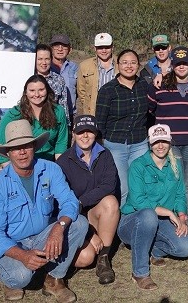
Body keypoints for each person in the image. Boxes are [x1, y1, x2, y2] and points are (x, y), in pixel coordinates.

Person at [0, 119, 89, 303]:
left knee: (79, 222)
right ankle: (9, 279)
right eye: (16, 148)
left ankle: (54, 279)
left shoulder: (51, 169)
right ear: (8, 153)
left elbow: (69, 201)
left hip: (42, 235)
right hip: (13, 243)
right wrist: (22, 255)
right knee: (21, 277)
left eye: (26, 145)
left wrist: (59, 227)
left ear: (34, 146)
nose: (22, 152)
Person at [117, 124, 188, 291]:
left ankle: (155, 250)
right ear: (149, 143)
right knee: (148, 215)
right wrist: (169, 213)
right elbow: (139, 202)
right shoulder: (138, 166)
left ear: (170, 142)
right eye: (156, 142)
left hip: (162, 222)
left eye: (164, 141)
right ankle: (140, 273)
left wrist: (181, 216)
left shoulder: (175, 164)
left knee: (187, 247)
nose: (160, 146)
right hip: (134, 221)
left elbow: (181, 193)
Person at [56, 115, 121, 285]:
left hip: (93, 210)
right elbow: (66, 201)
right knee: (86, 258)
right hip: (75, 217)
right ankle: (60, 260)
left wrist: (82, 201)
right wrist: (89, 233)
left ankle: (104, 259)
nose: (85, 136)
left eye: (90, 132)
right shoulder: (64, 161)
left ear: (95, 133)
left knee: (111, 202)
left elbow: (109, 186)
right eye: (80, 132)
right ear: (73, 134)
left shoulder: (105, 155)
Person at [147, 46, 188, 212]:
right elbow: (150, 109)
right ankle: (169, 223)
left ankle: (184, 226)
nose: (181, 66)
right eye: (178, 63)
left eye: (185, 63)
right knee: (172, 184)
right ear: (172, 65)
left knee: (186, 186)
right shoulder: (159, 86)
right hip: (170, 145)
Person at [95, 49, 149, 205]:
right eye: (124, 62)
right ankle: (123, 222)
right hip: (115, 145)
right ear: (118, 65)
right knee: (123, 187)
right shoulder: (108, 90)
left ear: (138, 65)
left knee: (139, 185)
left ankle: (139, 219)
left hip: (139, 143)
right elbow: (100, 120)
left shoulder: (144, 86)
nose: (129, 66)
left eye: (133, 62)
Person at [0, 74, 69, 165]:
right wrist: (12, 172)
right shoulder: (14, 113)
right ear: (26, 92)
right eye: (32, 90)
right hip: (21, 166)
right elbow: (0, 143)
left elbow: (61, 143)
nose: (37, 95)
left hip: (49, 164)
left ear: (47, 90)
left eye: (41, 90)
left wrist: (58, 168)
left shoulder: (58, 111)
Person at [76, 32, 116, 116]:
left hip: (116, 112)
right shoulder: (84, 66)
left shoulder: (121, 63)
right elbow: (81, 91)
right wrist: (89, 104)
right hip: (93, 113)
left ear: (112, 47)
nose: (104, 50)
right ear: (95, 48)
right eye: (100, 47)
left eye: (107, 47)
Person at [35, 43, 70, 117]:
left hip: (53, 123)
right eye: (40, 59)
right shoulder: (27, 77)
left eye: (47, 59)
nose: (44, 63)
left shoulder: (59, 80)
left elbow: (63, 106)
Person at [49, 34, 78, 120]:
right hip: (48, 114)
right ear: (51, 48)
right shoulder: (44, 67)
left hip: (70, 115)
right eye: (56, 45)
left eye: (64, 46)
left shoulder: (75, 68)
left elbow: (80, 91)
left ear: (70, 49)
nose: (60, 49)